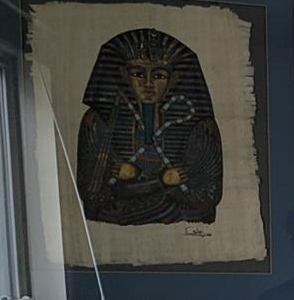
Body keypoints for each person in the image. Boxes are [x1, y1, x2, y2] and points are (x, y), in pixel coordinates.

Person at [75, 28, 223, 226]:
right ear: (124, 75)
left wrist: (141, 184)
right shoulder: (96, 121)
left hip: (172, 211)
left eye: (159, 75)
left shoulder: (201, 127)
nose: (148, 83)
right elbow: (93, 199)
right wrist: (165, 183)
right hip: (128, 212)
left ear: (174, 79)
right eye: (138, 73)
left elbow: (207, 198)